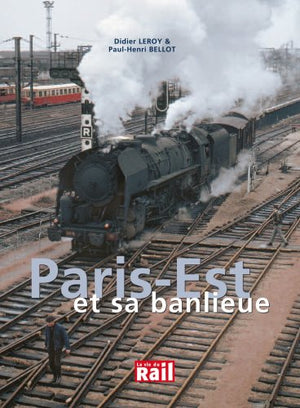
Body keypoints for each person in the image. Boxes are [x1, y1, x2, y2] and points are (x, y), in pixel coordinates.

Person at [45, 316, 70, 384]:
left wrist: (67, 348)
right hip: (50, 347)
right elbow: (46, 336)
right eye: (47, 323)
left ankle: (59, 377)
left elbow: (65, 337)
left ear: (53, 322)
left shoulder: (60, 328)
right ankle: (54, 376)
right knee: (51, 363)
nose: (48, 324)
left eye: (49, 323)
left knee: (57, 363)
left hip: (57, 347)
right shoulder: (47, 327)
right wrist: (46, 345)